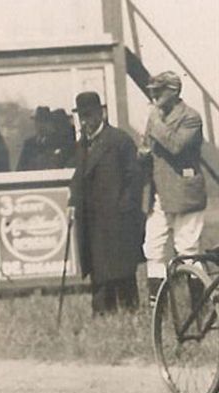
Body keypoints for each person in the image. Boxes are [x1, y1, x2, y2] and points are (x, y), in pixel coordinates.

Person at [69, 92, 144, 316]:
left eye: (88, 115)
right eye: (81, 117)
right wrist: (73, 201)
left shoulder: (119, 140)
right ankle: (103, 312)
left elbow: (135, 177)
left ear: (100, 113)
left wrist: (125, 207)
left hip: (118, 217)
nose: (85, 122)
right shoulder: (81, 145)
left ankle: (130, 311)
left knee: (122, 268)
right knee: (98, 267)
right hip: (92, 218)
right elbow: (78, 177)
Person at [139, 71, 207, 306]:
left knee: (187, 249)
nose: (153, 95)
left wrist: (155, 122)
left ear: (174, 91)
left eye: (158, 91)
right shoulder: (156, 117)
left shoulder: (191, 117)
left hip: (184, 193)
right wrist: (143, 154)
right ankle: (158, 307)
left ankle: (199, 306)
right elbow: (147, 146)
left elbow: (176, 145)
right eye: (152, 91)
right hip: (158, 193)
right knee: (153, 248)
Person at [17, 106, 63, 171]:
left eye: (44, 121)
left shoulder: (59, 141)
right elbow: (20, 168)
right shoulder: (29, 144)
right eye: (37, 121)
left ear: (50, 123)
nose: (40, 125)